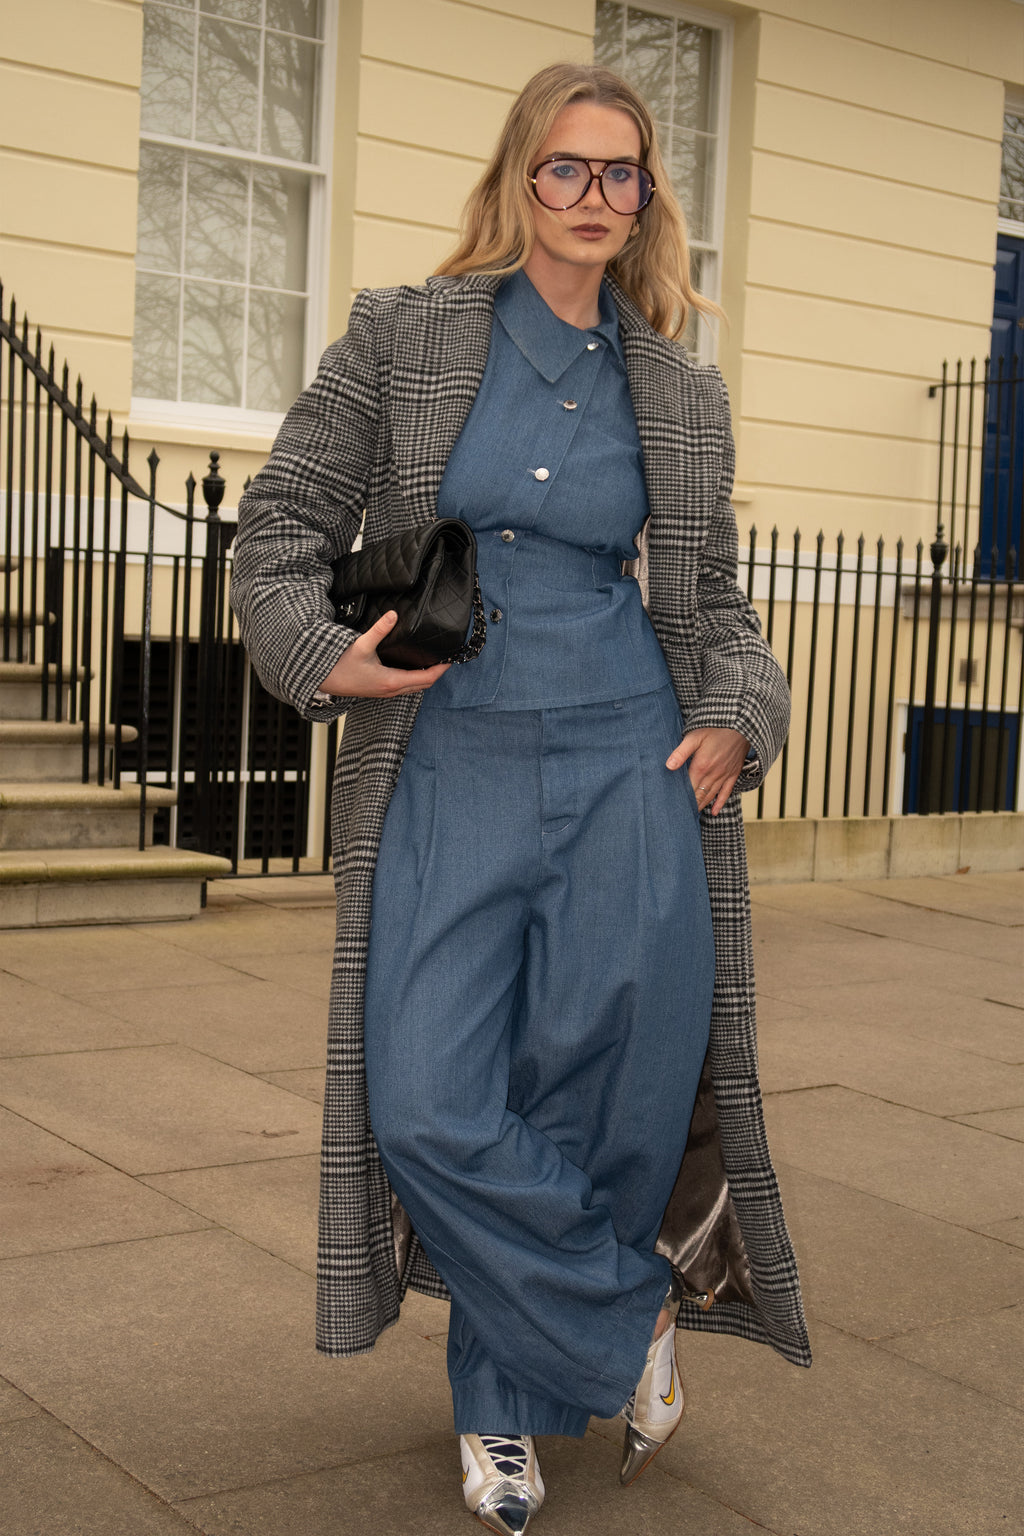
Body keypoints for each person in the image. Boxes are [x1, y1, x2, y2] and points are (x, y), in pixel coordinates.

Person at [231, 61, 810, 1536]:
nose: (595, 198)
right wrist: (323, 658)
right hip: (454, 741)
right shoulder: (407, 334)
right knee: (425, 1095)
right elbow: (282, 524)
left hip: (631, 752)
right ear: (517, 180)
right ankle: (630, 1313)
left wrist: (742, 716)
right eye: (567, 169)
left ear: (648, 198)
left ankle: (502, 1408)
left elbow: (720, 608)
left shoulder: (679, 385)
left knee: (600, 1099)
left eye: (624, 174)